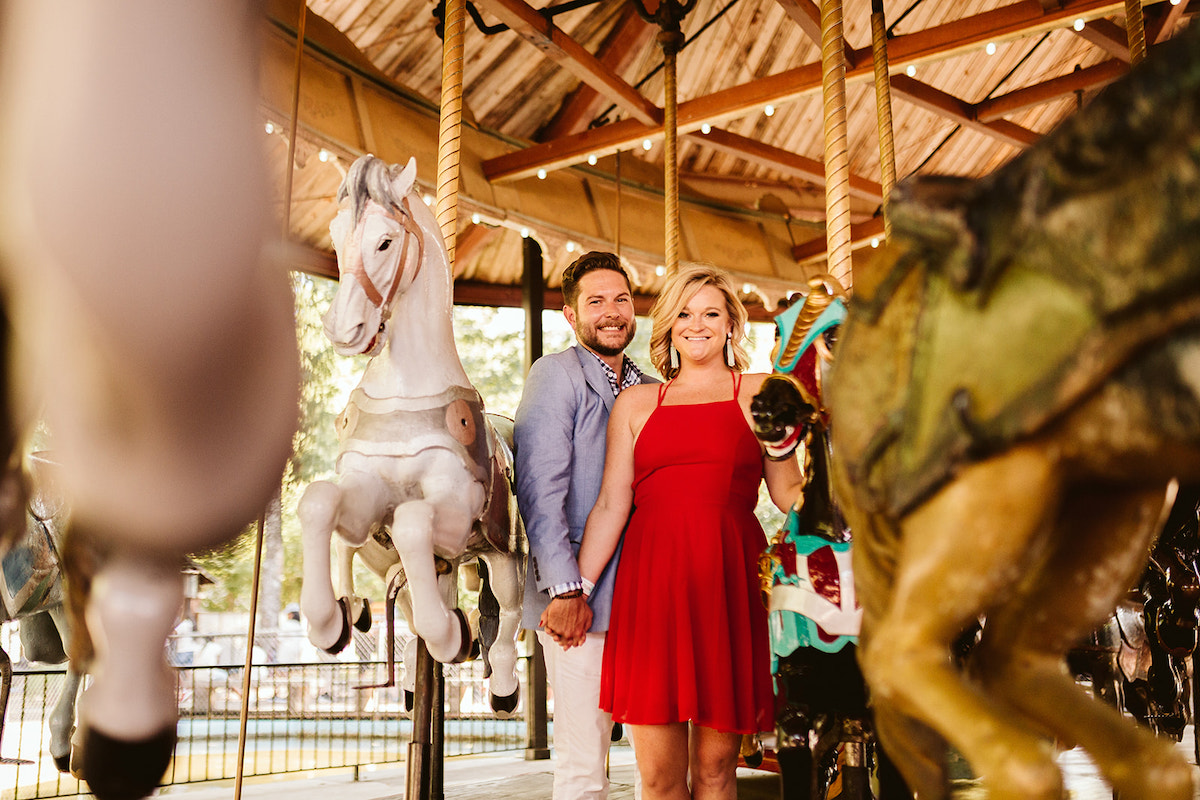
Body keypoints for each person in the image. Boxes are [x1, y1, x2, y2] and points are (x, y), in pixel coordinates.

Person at [574, 264, 804, 800]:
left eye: (710, 313)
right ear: (668, 324)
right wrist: (576, 591)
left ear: (731, 326)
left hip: (727, 586)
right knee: (656, 779)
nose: (695, 324)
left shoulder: (760, 393)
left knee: (717, 772)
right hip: (651, 590)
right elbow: (611, 504)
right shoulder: (635, 404)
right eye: (683, 312)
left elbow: (788, 493)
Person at [514, 251, 658, 800]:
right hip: (579, 594)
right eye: (596, 301)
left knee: (659, 764)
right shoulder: (557, 375)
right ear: (571, 315)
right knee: (582, 764)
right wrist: (565, 588)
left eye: (621, 299)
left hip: (646, 591)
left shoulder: (649, 386)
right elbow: (539, 490)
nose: (612, 312)